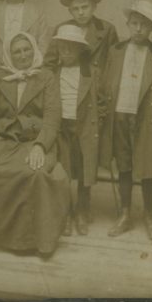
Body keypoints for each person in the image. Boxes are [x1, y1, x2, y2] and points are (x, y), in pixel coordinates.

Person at [0, 32, 69, 259]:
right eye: (17, 51)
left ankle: (37, 241)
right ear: (9, 55)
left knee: (34, 173)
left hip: (34, 141)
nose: (23, 55)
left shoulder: (46, 77)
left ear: (34, 50)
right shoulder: (0, 77)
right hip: (6, 141)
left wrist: (40, 146)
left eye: (27, 49)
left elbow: (52, 117)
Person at [99, 1, 152, 241]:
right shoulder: (116, 51)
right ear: (128, 25)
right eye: (134, 24)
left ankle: (149, 214)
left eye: (144, 25)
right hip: (120, 116)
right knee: (124, 166)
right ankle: (126, 214)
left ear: (151, 28)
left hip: (146, 119)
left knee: (147, 169)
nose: (138, 29)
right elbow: (106, 85)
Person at [51, 25, 101, 236]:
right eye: (63, 48)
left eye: (71, 48)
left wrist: (97, 122)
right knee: (64, 171)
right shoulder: (53, 73)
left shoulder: (92, 73)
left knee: (83, 171)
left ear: (81, 50)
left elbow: (102, 102)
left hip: (84, 127)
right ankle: (67, 213)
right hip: (62, 127)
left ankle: (82, 210)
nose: (67, 53)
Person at [44, 0, 118, 72]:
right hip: (68, 78)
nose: (80, 13)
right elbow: (49, 63)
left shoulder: (107, 29)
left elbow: (114, 64)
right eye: (75, 9)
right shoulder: (61, 28)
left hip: (97, 81)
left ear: (94, 7)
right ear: (70, 11)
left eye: (85, 7)